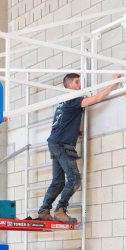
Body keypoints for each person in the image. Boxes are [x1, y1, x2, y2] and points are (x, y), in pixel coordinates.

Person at [38, 73, 121, 223]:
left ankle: (44, 210)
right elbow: (96, 99)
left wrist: (75, 131)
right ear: (69, 86)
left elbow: (64, 121)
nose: (80, 85)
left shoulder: (63, 102)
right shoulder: (73, 99)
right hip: (62, 144)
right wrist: (114, 82)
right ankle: (60, 210)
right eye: (77, 82)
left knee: (58, 181)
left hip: (55, 142)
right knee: (74, 178)